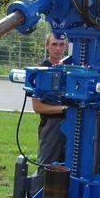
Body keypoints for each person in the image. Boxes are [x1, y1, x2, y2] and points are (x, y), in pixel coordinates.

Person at [31, 32, 69, 173]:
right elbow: (37, 107)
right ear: (47, 46)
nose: (58, 49)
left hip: (72, 125)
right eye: (54, 44)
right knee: (46, 167)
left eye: (61, 45)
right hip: (51, 126)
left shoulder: (70, 69)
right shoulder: (41, 72)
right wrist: (63, 109)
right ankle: (37, 192)